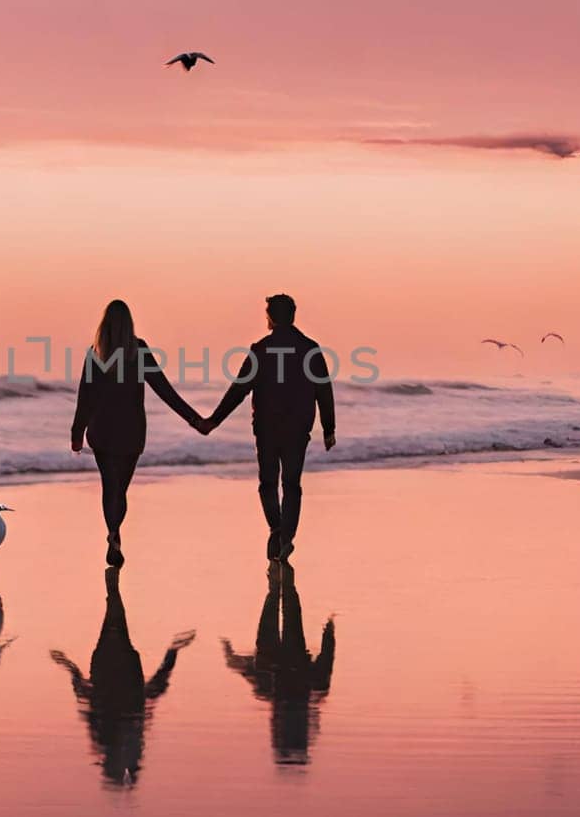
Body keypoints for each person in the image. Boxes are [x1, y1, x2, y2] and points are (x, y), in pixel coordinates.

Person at [198, 293, 336, 561]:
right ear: (293, 316)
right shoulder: (311, 349)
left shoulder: (260, 349)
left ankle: (276, 528)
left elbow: (239, 389)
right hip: (297, 427)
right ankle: (287, 537)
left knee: (268, 482)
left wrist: (214, 420)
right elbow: (324, 391)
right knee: (292, 484)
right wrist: (329, 428)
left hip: (267, 427)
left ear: (270, 318)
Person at [71, 299, 204, 567]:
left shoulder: (95, 353)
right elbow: (164, 390)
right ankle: (114, 533)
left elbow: (85, 398)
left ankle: (113, 533)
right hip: (131, 430)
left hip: (103, 430)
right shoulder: (139, 351)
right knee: (121, 489)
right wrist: (194, 419)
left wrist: (77, 432)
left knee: (110, 486)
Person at [49, 568, 197, 788]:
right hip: (118, 663)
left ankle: (113, 585)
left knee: (114, 615)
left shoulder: (112, 732)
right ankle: (112, 585)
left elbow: (85, 695)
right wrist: (172, 652)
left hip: (111, 663)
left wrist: (69, 666)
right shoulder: (127, 733)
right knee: (115, 615)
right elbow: (152, 690)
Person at [221, 562, 336, 766]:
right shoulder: (308, 688)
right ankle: (280, 563)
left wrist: (329, 631)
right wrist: (329, 630)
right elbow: (326, 658)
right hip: (285, 657)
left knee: (281, 599)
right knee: (282, 600)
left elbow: (326, 658)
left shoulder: (274, 689)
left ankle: (280, 563)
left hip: (279, 657)